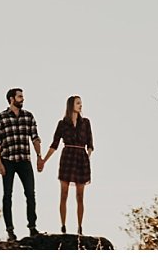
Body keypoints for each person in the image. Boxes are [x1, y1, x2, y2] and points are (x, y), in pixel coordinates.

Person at [0, 87, 43, 241]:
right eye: (20, 97)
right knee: (8, 195)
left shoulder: (28, 116)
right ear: (11, 99)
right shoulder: (0, 118)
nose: (23, 99)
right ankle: (10, 231)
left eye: (22, 96)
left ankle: (32, 227)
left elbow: (35, 138)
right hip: (7, 161)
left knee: (30, 194)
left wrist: (39, 156)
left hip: (24, 161)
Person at [39, 94, 94, 235]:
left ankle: (80, 227)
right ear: (71, 105)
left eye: (81, 103)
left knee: (80, 196)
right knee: (63, 194)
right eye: (78, 103)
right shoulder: (62, 124)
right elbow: (54, 144)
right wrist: (44, 160)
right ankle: (63, 226)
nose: (80, 105)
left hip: (81, 159)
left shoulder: (86, 123)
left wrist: (87, 157)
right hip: (67, 157)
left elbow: (90, 145)